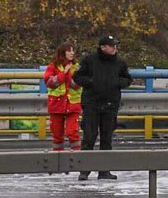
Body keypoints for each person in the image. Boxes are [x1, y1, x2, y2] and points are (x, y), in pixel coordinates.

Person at [74, 35, 132, 180]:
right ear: (103, 47)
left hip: (110, 104)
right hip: (92, 103)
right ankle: (84, 170)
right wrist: (91, 82)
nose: (115, 48)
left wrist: (118, 82)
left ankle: (104, 170)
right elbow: (78, 76)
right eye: (112, 46)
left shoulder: (120, 63)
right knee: (90, 136)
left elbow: (127, 79)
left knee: (107, 137)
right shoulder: (90, 60)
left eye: (116, 46)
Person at [43, 43, 82, 152]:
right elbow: (50, 82)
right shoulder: (52, 66)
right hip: (56, 105)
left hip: (72, 105)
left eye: (73, 51)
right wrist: (63, 74)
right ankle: (58, 159)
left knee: (72, 132)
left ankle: (77, 158)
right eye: (69, 51)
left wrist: (68, 73)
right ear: (62, 52)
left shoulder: (76, 67)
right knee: (57, 134)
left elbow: (77, 84)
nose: (72, 53)